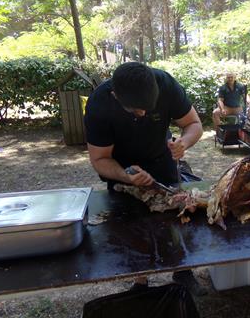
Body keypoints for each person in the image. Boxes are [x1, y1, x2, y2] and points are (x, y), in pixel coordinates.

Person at [84, 62, 206, 295]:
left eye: (147, 109)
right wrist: (126, 175)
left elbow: (193, 123)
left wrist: (184, 142)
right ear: (115, 95)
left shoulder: (166, 84)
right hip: (121, 167)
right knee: (132, 225)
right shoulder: (99, 104)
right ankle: (140, 279)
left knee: (176, 216)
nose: (142, 114)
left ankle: (182, 270)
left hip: (162, 159)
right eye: (135, 110)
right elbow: (99, 159)